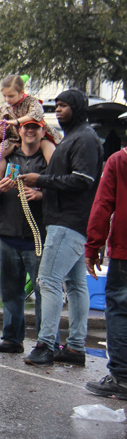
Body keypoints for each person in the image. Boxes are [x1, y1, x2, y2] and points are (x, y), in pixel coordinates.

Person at [21, 90, 103, 367]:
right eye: (56, 106)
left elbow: (83, 180)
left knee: (49, 280)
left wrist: (41, 180)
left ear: (78, 108)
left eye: (64, 106)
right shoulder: (76, 136)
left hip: (68, 222)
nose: (58, 110)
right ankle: (76, 347)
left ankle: (46, 344)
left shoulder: (85, 139)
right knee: (76, 284)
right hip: (70, 221)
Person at [0, 121, 48, 353]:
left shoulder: (49, 158)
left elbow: (61, 187)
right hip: (7, 234)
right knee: (10, 291)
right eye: (26, 127)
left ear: (42, 131)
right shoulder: (6, 157)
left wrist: (41, 195)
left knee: (43, 292)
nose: (30, 131)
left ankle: (45, 342)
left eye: (35, 128)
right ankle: (12, 339)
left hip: (37, 238)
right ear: (19, 132)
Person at [84, 143, 127, 399]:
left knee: (121, 309)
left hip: (124, 249)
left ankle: (122, 377)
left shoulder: (119, 160)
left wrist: (93, 245)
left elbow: (103, 204)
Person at [0, 75, 59, 167]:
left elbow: (36, 114)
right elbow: (3, 135)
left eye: (11, 96)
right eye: (4, 96)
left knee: (51, 153)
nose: (7, 99)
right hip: (15, 139)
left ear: (21, 93)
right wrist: (1, 131)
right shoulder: (3, 109)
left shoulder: (31, 102)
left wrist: (17, 121)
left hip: (38, 137)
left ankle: (50, 178)